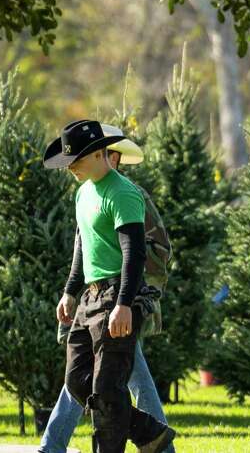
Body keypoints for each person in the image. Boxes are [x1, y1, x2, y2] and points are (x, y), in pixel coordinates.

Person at [43, 120, 176, 453]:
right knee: (77, 383)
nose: (70, 167)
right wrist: (70, 292)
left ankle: (135, 439)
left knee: (106, 391)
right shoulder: (83, 192)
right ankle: (149, 433)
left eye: (76, 161)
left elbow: (135, 253)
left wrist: (123, 305)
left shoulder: (123, 193)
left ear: (100, 154)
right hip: (89, 297)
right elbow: (82, 248)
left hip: (117, 294)